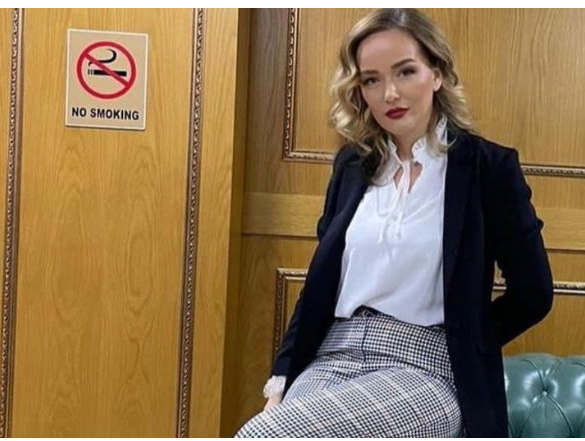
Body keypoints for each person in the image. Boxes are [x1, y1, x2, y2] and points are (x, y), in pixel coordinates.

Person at [236, 8, 553, 438]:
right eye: (371, 80)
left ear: (437, 74)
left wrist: (464, 341)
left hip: (425, 366)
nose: (390, 94)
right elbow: (319, 285)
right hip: (333, 355)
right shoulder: (353, 166)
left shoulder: (487, 168)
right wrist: (282, 379)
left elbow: (533, 293)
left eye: (405, 72)